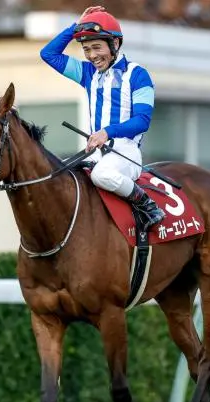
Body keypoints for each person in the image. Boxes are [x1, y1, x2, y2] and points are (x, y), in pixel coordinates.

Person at [39, 5, 165, 232]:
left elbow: (142, 120)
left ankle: (147, 205)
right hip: (96, 152)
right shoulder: (88, 73)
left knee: (102, 175)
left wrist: (107, 132)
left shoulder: (138, 75)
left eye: (97, 47)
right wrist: (74, 28)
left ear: (115, 43)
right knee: (56, 176)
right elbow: (48, 54)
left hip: (126, 153)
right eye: (86, 49)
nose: (92, 56)